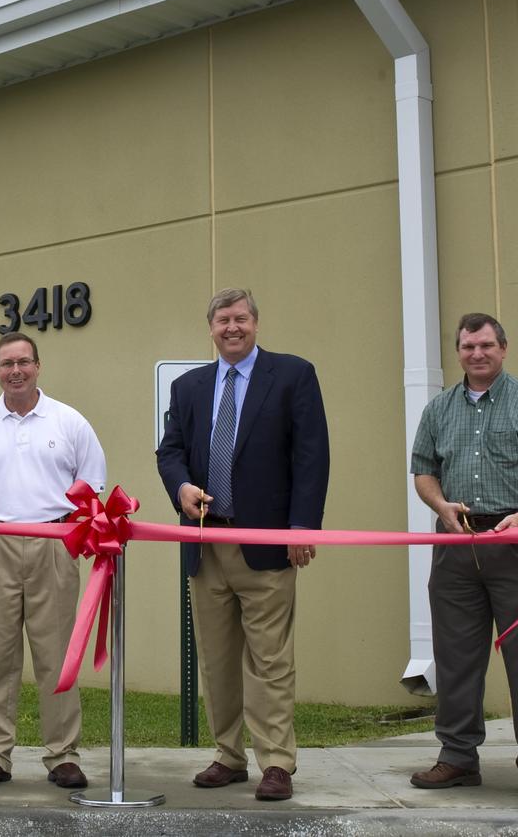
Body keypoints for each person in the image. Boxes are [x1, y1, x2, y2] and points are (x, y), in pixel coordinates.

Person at [156, 288, 329, 802]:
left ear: (256, 322)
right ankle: (228, 756)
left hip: (267, 543)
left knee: (270, 658)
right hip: (207, 544)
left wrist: (303, 527)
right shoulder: (189, 386)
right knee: (217, 658)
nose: (232, 327)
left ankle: (275, 761)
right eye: (222, 320)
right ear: (210, 328)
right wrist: (182, 487)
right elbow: (170, 452)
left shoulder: (293, 375)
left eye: (241, 318)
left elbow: (312, 455)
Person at [409, 312, 518, 800]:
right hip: (458, 547)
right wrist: (440, 506)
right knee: (456, 657)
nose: (476, 354)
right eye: (467, 347)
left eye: (485, 345)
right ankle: (458, 757)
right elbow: (423, 471)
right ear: (458, 352)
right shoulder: (438, 410)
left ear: (503, 348)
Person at [0, 331, 106, 790]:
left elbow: (92, 485)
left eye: (23, 362)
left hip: (55, 545)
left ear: (38, 365)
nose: (15, 370)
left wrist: (73, 535)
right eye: (5, 363)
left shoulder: (69, 422)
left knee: (57, 656)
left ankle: (63, 755)